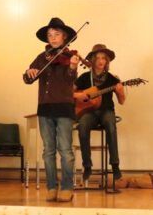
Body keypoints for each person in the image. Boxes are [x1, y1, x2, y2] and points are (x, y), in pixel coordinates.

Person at [23, 17, 80, 202]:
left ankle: (66, 187)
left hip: (64, 108)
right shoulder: (42, 57)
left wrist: (72, 66)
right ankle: (51, 187)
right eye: (50, 35)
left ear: (65, 37)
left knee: (65, 150)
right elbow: (28, 78)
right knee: (48, 151)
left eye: (56, 34)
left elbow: (71, 80)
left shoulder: (69, 56)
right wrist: (29, 73)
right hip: (45, 109)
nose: (53, 38)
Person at [74, 44, 125, 181]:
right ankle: (87, 166)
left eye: (104, 58)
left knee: (110, 124)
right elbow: (69, 92)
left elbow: (122, 101)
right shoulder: (84, 77)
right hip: (89, 113)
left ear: (107, 61)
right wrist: (78, 96)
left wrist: (120, 92)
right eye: (98, 58)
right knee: (82, 125)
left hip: (106, 111)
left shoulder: (112, 79)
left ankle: (115, 165)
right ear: (93, 60)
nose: (101, 61)